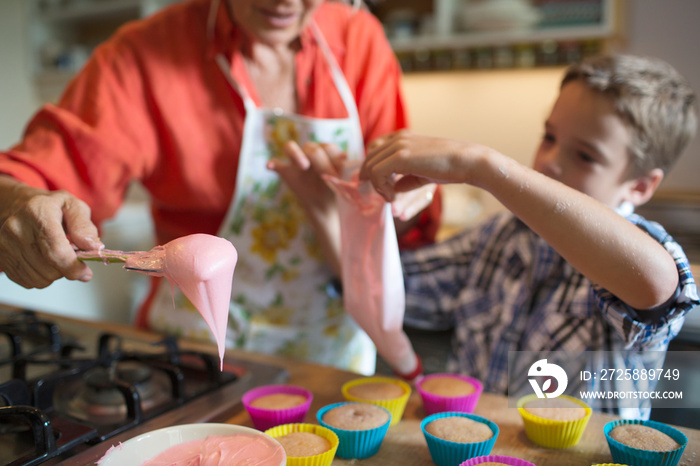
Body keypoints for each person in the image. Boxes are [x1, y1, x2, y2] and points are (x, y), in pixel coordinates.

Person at [0, 0, 440, 375]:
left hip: (330, 359)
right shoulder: (143, 56)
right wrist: (17, 201)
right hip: (194, 358)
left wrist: (395, 200)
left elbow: (401, 235)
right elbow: (29, 180)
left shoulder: (359, 41)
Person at [286, 54, 699, 418]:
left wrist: (483, 167)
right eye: (550, 137)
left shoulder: (631, 252)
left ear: (641, 187)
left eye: (586, 155)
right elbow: (378, 289)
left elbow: (656, 282)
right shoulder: (498, 237)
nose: (551, 162)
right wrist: (324, 210)